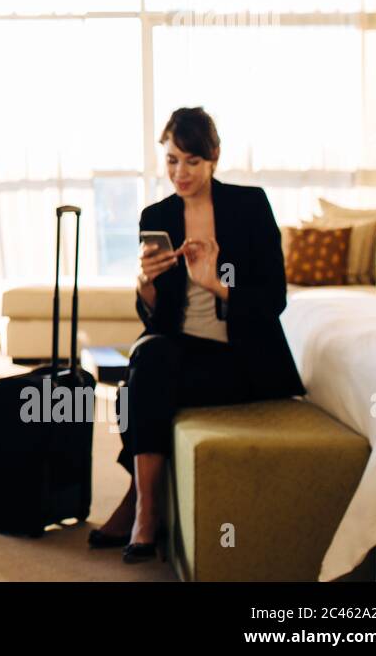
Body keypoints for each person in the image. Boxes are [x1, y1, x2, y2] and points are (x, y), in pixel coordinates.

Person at [88, 106, 305, 563]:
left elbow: (274, 300)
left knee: (136, 388)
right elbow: (157, 320)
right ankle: (147, 512)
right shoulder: (158, 214)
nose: (180, 173)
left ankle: (137, 506)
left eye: (191, 161)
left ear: (214, 158)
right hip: (182, 357)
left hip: (243, 364)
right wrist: (145, 284)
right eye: (171, 160)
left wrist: (215, 282)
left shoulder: (249, 206)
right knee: (146, 363)